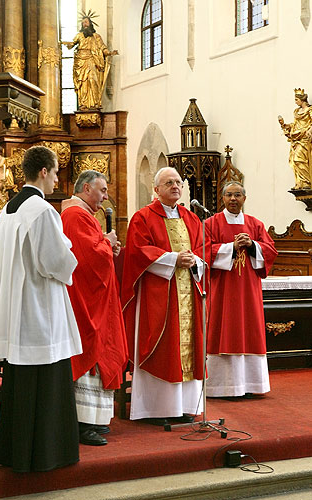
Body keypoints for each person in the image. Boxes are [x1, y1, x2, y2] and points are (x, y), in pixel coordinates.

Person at [0, 146, 82, 472]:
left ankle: (17, 454)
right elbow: (54, 262)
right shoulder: (41, 210)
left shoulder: (8, 211)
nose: (57, 178)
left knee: (22, 385)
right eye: (56, 171)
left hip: (17, 312)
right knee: (47, 382)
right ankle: (47, 455)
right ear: (43, 171)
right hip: (40, 313)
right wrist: (71, 253)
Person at [121, 167, 208, 425]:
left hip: (188, 291)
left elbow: (204, 249)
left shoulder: (191, 218)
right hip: (158, 294)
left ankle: (186, 407)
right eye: (168, 182)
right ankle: (157, 409)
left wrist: (195, 261)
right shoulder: (142, 217)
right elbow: (137, 251)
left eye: (178, 182)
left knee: (188, 346)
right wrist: (172, 259)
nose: (175, 186)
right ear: (156, 189)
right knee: (161, 345)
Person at [61, 170, 128, 446]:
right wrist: (106, 244)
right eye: (101, 191)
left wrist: (105, 245)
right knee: (91, 354)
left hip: (97, 297)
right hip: (86, 300)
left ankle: (95, 421)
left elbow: (93, 248)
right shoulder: (75, 215)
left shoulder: (84, 215)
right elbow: (85, 258)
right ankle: (83, 424)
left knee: (101, 353)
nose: (104, 198)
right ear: (86, 188)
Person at [205, 181, 278, 398]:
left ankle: (252, 385)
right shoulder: (211, 223)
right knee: (223, 327)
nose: (233, 199)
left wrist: (253, 245)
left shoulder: (255, 224)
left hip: (248, 290)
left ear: (244, 199)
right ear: (223, 199)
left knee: (250, 329)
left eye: (237, 195)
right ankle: (223, 386)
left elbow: (271, 250)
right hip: (223, 289)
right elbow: (203, 249)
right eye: (229, 195)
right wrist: (231, 247)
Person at [62, 13, 118, 110]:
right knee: (83, 83)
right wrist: (66, 44)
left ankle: (95, 103)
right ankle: (83, 103)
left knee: (92, 80)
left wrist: (109, 53)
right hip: (81, 61)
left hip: (92, 60)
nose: (85, 24)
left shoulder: (96, 37)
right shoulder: (79, 35)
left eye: (86, 22)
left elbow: (102, 47)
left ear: (90, 23)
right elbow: (72, 44)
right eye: (83, 22)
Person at [278, 88, 312, 189]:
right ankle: (300, 182)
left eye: (296, 99)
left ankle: (307, 182)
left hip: (305, 138)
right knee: (295, 160)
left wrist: (310, 130)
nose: (295, 102)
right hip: (297, 138)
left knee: (300, 159)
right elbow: (295, 125)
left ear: (302, 100)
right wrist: (284, 125)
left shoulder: (310, 110)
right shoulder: (296, 111)